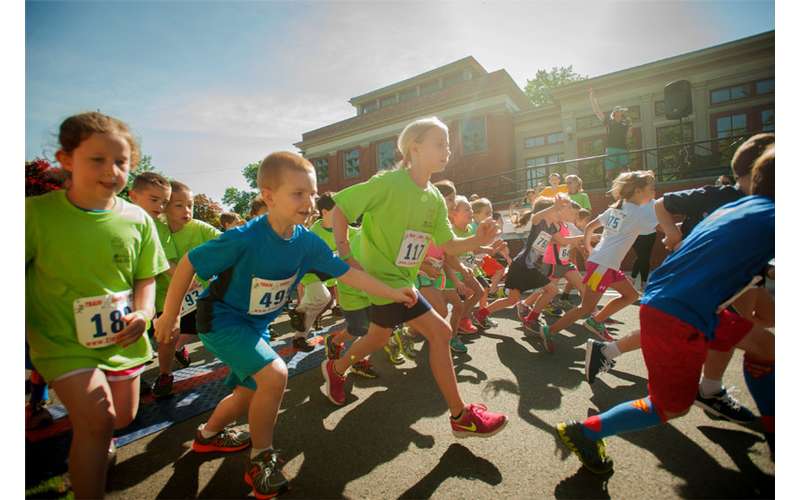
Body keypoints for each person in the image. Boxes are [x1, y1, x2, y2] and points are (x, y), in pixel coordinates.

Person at [155, 151, 416, 498]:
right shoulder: (245, 237)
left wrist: (392, 292)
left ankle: (207, 435)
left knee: (249, 391)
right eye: (298, 194)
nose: (309, 202)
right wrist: (170, 317)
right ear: (268, 195)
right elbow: (189, 262)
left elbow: (350, 274)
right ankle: (261, 459)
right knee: (275, 375)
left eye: (311, 194)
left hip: (255, 327)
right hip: (220, 319)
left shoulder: (306, 242)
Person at [556, 145, 775, 474]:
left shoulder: (735, 207)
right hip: (680, 309)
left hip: (672, 297)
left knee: (766, 346)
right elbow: (653, 211)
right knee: (670, 405)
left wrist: (588, 243)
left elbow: (606, 221)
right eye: (650, 187)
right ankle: (585, 430)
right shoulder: (769, 215)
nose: (654, 192)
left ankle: (603, 343)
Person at [321, 117, 509, 438]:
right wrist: (346, 254)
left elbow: (448, 243)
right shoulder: (389, 183)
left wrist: (478, 241)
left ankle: (335, 369)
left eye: (448, 144)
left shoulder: (435, 196)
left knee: (379, 337)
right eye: (440, 143)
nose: (447, 150)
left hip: (403, 281)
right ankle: (460, 416)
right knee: (440, 332)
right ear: (414, 147)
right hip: (380, 279)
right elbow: (340, 208)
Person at [27, 112, 169, 497]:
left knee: (121, 418)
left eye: (121, 162)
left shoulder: (138, 220)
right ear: (66, 159)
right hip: (60, 344)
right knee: (98, 418)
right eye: (97, 160)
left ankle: (95, 443)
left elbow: (146, 278)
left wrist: (143, 312)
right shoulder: (33, 216)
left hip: (122, 339)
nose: (112, 171)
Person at [541, 171, 659, 346]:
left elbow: (590, 226)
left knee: (631, 295)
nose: (654, 192)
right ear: (638, 191)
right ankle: (549, 331)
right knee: (586, 307)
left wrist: (590, 249)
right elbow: (661, 226)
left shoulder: (618, 208)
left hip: (605, 263)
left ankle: (596, 321)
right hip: (603, 266)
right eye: (651, 188)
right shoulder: (637, 213)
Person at [473, 195, 582, 351]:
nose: (558, 212)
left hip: (528, 266)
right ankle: (529, 319)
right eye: (556, 210)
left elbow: (564, 241)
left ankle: (483, 314)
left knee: (515, 299)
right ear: (548, 211)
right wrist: (554, 207)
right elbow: (537, 215)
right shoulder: (540, 222)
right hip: (522, 265)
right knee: (546, 291)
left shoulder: (554, 227)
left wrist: (586, 236)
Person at [150, 180, 222, 397]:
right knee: (168, 338)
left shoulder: (200, 227)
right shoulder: (158, 230)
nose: (187, 210)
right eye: (179, 205)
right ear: (165, 207)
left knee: (200, 328)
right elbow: (163, 261)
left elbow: (228, 241)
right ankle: (165, 374)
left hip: (200, 294)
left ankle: (181, 349)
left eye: (190, 205)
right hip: (167, 297)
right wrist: (184, 276)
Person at [290, 192, 340, 352]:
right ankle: (298, 311)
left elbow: (359, 233)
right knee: (323, 298)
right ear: (325, 212)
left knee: (318, 305)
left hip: (325, 275)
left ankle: (299, 337)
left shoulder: (343, 229)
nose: (342, 215)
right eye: (338, 211)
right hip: (308, 272)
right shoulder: (314, 231)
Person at [589, 88, 633, 183]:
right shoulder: (609, 121)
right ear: (615, 112)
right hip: (611, 148)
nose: (622, 113)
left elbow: (629, 136)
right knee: (609, 171)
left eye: (622, 111)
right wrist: (592, 97)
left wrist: (630, 128)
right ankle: (610, 186)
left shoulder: (625, 124)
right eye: (620, 111)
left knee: (625, 169)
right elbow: (597, 112)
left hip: (623, 147)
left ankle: (624, 185)